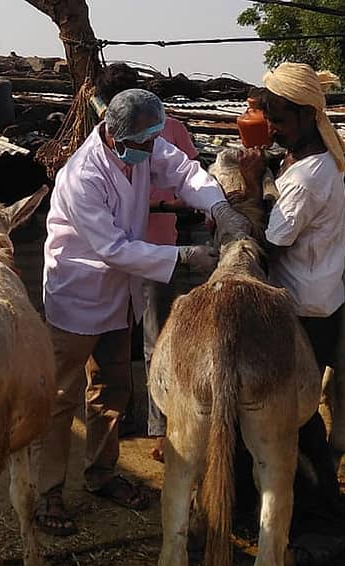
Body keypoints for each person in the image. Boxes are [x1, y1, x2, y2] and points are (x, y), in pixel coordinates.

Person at [31, 88, 249, 536]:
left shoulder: (143, 144)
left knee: (111, 389)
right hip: (78, 292)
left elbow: (185, 170)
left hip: (118, 293)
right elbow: (112, 248)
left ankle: (103, 474)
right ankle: (48, 493)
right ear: (113, 135)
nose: (151, 151)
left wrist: (219, 206)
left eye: (153, 142)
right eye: (144, 143)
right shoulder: (81, 176)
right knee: (60, 397)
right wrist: (184, 258)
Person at [238, 62, 345, 519]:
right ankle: (318, 500)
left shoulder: (309, 175)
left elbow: (272, 241)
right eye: (270, 119)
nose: (274, 128)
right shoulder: (302, 158)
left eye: (281, 120)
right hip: (313, 297)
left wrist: (248, 187)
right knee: (295, 410)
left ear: (307, 116)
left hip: (305, 309)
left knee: (294, 413)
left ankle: (318, 505)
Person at [143, 116, 201, 462]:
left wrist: (166, 204)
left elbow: (191, 175)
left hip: (159, 248)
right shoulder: (104, 132)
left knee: (155, 341)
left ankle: (160, 426)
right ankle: (116, 418)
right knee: (114, 341)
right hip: (119, 250)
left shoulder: (173, 127)